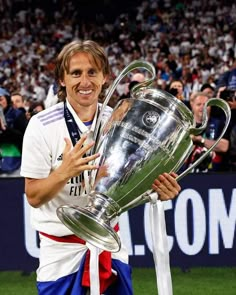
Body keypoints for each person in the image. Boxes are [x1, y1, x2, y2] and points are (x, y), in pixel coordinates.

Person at [20, 40, 181, 295]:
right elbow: (34, 196)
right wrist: (65, 172)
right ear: (62, 79)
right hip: (60, 255)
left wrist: (157, 191)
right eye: (76, 73)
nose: (85, 81)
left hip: (109, 246)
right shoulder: (41, 126)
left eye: (92, 72)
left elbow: (127, 184)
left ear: (105, 77)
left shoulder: (119, 120)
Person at [182, 91, 229, 172]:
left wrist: (200, 140)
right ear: (192, 105)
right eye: (199, 104)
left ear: (210, 107)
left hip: (213, 176)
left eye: (205, 105)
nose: (202, 107)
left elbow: (224, 147)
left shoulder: (219, 124)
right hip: (185, 175)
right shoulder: (184, 125)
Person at [0, 87, 28, 173]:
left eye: (1, 99)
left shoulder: (17, 114)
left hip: (16, 162)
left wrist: (5, 129)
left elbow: (25, 138)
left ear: (7, 100)